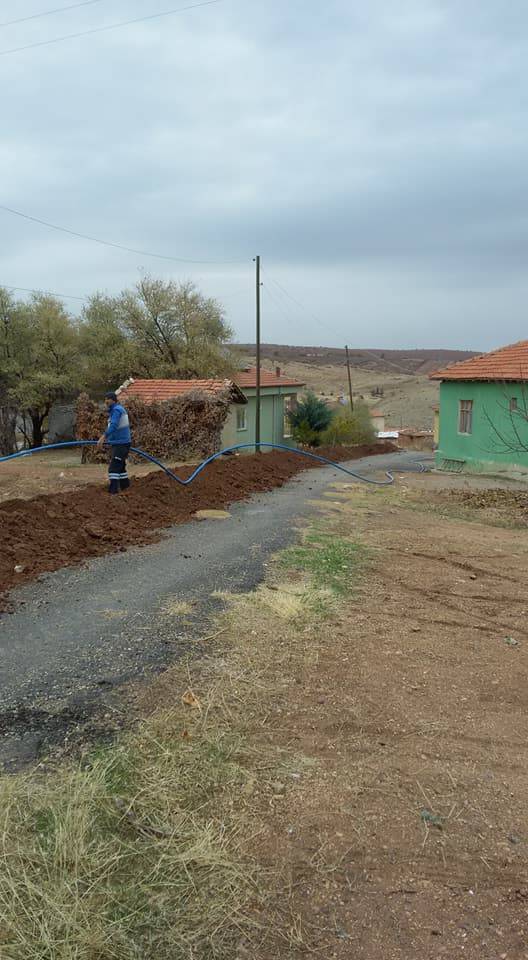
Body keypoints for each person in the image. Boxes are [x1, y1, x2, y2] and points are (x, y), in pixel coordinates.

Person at [97, 392, 132, 494]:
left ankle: (113, 492)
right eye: (105, 399)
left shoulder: (117, 410)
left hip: (121, 443)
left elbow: (113, 426)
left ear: (113, 400)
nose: (106, 401)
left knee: (113, 468)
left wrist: (103, 436)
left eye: (107, 399)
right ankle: (126, 488)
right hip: (120, 443)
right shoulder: (116, 410)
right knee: (120, 468)